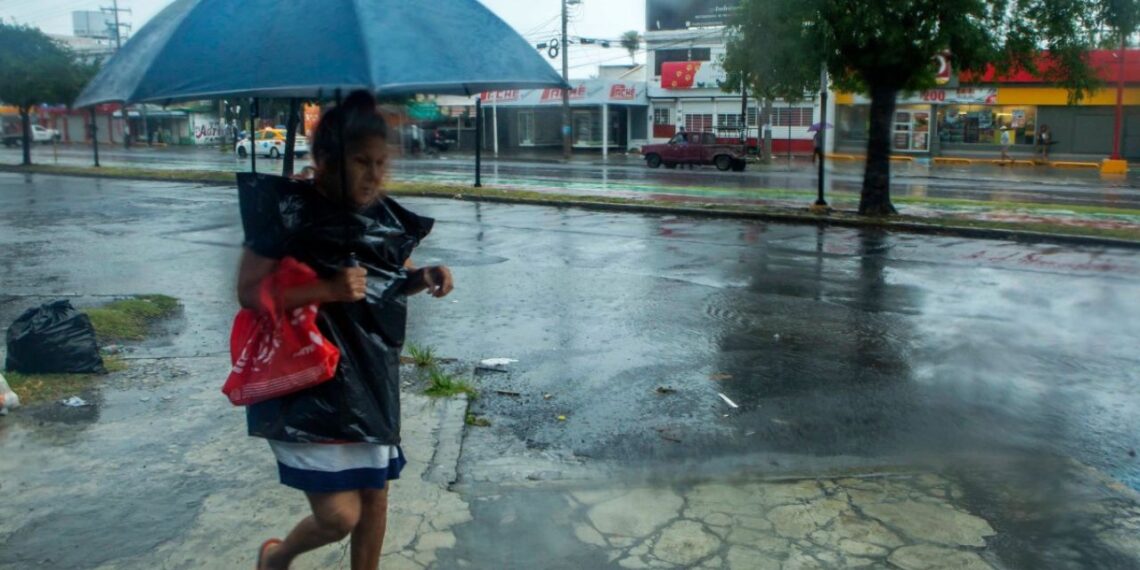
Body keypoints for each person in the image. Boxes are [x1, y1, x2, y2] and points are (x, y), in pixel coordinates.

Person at [240, 91, 454, 570]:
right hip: (307, 383)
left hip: (371, 376)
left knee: (375, 497)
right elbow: (249, 292)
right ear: (323, 159)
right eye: (361, 161)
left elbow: (390, 284)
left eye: (381, 162)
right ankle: (279, 557)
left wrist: (425, 277)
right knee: (339, 515)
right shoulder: (285, 210)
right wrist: (325, 289)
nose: (374, 175)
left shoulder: (385, 218)